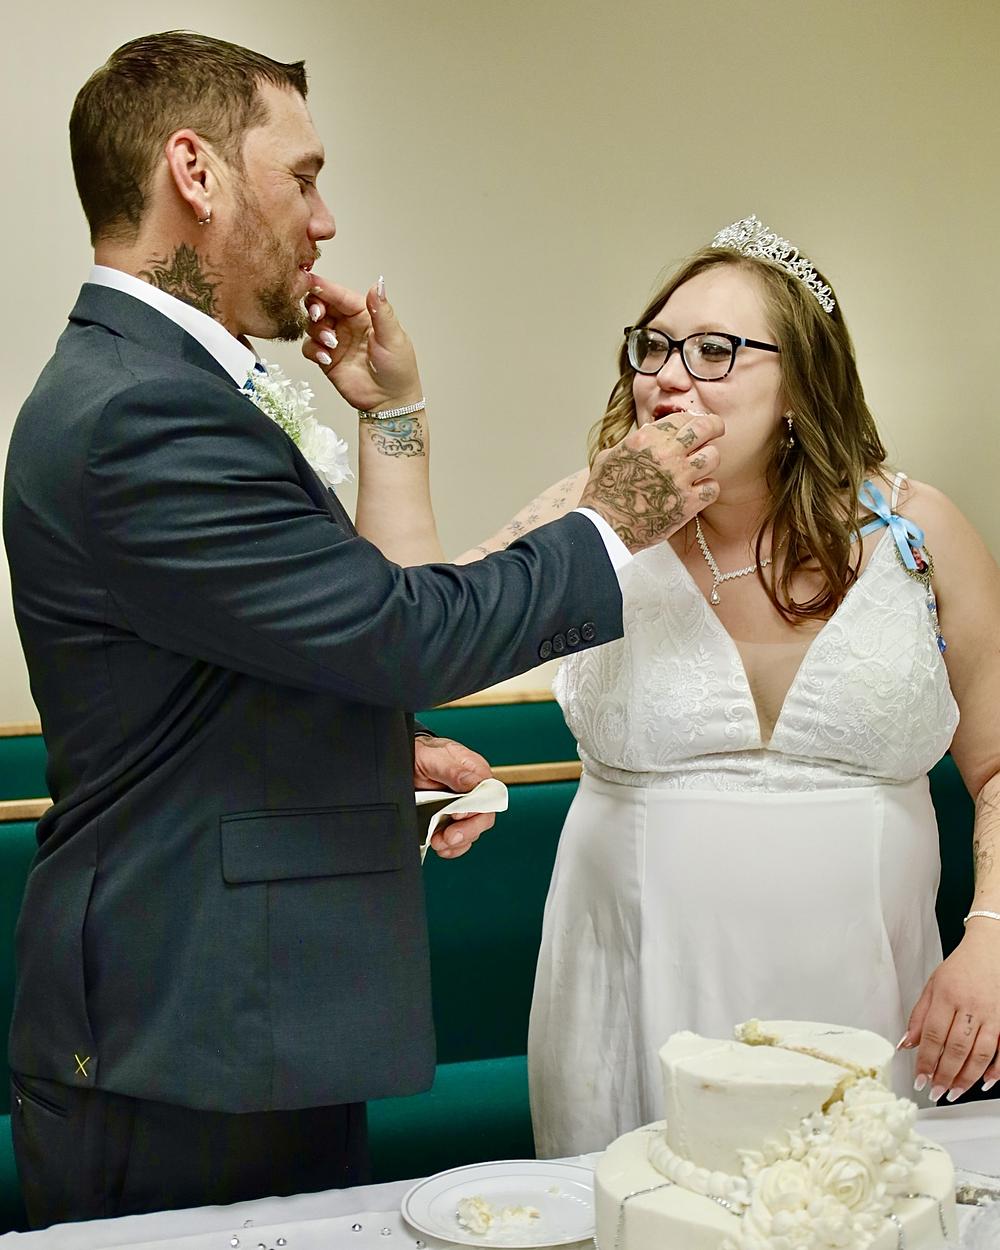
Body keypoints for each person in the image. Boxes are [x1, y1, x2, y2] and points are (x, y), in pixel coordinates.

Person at [1, 32, 723, 1227]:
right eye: (302, 178)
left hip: (234, 1021)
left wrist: (372, 755)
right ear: (194, 171)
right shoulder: (143, 411)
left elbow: (278, 663)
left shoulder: (157, 385)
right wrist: (612, 519)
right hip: (184, 1032)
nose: (324, 221)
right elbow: (403, 634)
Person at [434, 216, 1000, 1157]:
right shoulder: (593, 517)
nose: (668, 375)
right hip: (633, 988)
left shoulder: (922, 530)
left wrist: (993, 937)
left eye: (713, 351)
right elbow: (425, 633)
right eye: (653, 347)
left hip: (865, 992)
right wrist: (395, 418)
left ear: (800, 385)